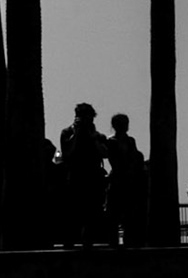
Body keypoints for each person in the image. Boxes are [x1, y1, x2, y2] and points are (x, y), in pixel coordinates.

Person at [59, 102, 109, 248]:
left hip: (93, 177)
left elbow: (105, 153)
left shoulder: (98, 136)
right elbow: (67, 153)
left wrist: (92, 137)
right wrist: (76, 134)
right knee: (72, 211)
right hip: (74, 176)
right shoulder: (67, 133)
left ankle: (88, 241)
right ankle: (69, 241)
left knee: (92, 211)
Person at [104, 114, 145, 246]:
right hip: (118, 180)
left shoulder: (130, 141)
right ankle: (114, 244)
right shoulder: (111, 142)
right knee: (114, 216)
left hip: (128, 181)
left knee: (129, 216)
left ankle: (129, 243)